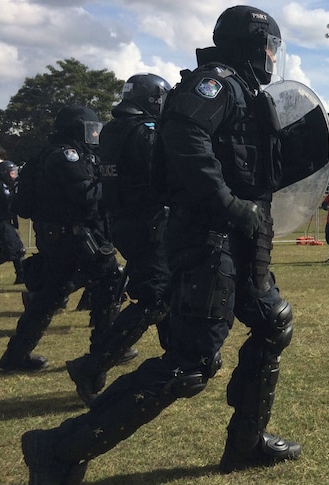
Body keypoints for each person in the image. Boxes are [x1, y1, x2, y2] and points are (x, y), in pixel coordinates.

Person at [22, 6, 303, 482]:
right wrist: (227, 202)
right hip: (209, 237)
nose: (274, 57)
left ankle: (248, 442)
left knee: (273, 323)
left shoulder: (241, 88)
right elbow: (185, 136)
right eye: (271, 46)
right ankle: (58, 448)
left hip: (244, 236)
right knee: (191, 362)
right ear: (256, 44)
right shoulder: (214, 83)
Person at [65, 73, 173, 406]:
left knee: (167, 292)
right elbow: (167, 173)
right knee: (155, 298)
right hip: (148, 224)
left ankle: (178, 362)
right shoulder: (146, 133)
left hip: (125, 222)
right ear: (153, 99)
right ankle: (91, 366)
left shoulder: (113, 130)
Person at [0, 106, 125, 372]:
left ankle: (15, 356)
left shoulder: (41, 157)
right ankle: (107, 349)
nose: (94, 134)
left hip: (55, 237)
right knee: (110, 281)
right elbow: (87, 195)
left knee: (50, 296)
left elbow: (22, 205)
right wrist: (113, 183)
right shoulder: (70, 156)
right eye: (91, 129)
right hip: (78, 237)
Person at [0, 159, 26, 284]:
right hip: (1, 223)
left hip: (5, 223)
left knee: (18, 250)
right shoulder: (0, 187)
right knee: (11, 253)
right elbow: (8, 201)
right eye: (12, 173)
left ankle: (21, 276)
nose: (14, 176)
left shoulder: (5, 186)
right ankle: (21, 275)